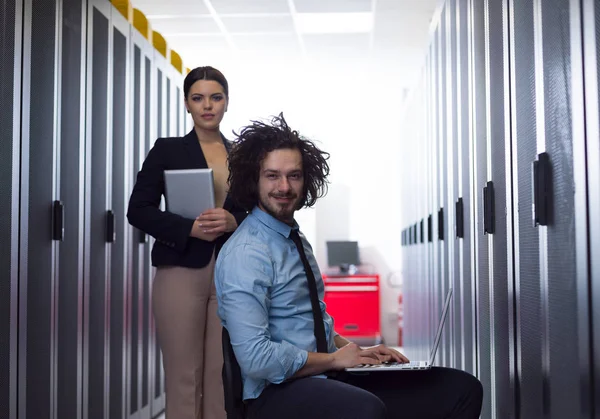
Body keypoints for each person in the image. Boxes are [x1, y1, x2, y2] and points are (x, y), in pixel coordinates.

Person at [215, 114, 483, 419]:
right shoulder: (247, 252)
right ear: (255, 179)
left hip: (324, 376)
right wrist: (333, 360)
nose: (284, 187)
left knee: (461, 388)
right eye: (272, 175)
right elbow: (256, 359)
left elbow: (308, 326)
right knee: (366, 410)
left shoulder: (294, 238)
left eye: (294, 175)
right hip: (275, 393)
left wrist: (357, 351)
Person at [127, 66, 247, 419]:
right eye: (198, 98)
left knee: (221, 376)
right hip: (180, 268)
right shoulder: (167, 150)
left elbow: (261, 212)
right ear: (186, 104)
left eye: (216, 97)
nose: (207, 105)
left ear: (227, 103)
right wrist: (188, 228)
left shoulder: (242, 155)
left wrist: (234, 220)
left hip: (231, 272)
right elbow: (139, 210)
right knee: (184, 376)